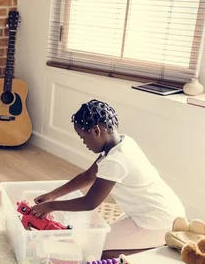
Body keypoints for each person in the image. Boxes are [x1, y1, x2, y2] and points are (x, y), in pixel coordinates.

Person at [30, 99, 185, 255]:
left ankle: (158, 247)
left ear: (96, 131)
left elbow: (89, 203)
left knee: (96, 252)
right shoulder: (123, 142)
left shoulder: (116, 161)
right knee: (96, 242)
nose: (84, 142)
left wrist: (51, 206)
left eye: (83, 137)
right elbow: (89, 175)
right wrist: (52, 195)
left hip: (156, 221)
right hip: (158, 210)